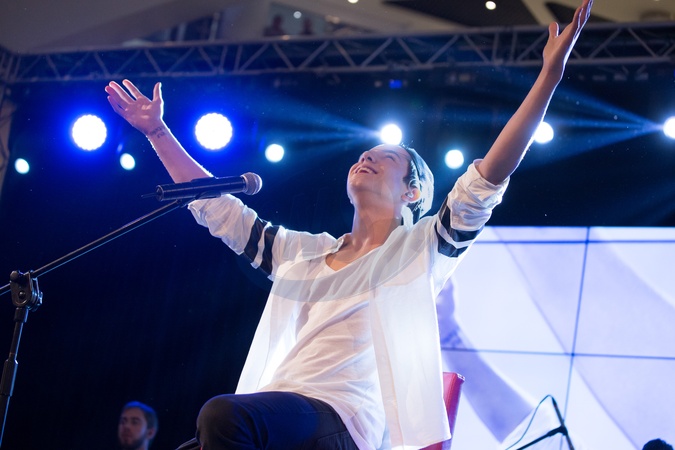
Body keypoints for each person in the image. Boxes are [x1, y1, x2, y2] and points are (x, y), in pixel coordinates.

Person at [104, 0, 593, 448]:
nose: (367, 158)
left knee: (221, 415)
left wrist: (548, 77)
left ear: (412, 192)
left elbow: (489, 176)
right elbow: (221, 209)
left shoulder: (421, 249)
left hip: (343, 421)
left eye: (385, 158)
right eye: (363, 155)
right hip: (279, 412)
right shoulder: (305, 253)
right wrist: (158, 131)